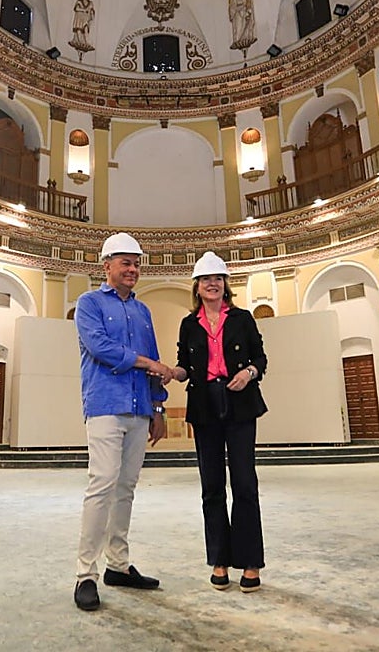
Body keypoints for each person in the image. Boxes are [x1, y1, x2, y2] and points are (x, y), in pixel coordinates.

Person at [73, 232, 175, 611]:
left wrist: (159, 408)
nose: (133, 269)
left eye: (136, 263)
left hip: (138, 408)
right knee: (101, 484)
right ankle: (86, 574)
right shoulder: (89, 303)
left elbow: (154, 355)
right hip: (104, 405)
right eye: (125, 263)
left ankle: (118, 565)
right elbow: (100, 347)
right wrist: (151, 364)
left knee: (126, 487)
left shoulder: (143, 311)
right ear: (107, 266)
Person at [170, 251, 268, 592]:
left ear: (225, 285)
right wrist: (172, 373)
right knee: (211, 486)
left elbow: (260, 357)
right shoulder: (188, 324)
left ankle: (251, 562)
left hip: (240, 402)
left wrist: (249, 372)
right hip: (204, 405)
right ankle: (219, 560)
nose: (212, 284)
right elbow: (185, 365)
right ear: (196, 287)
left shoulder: (242, 318)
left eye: (218, 279)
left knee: (244, 483)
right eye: (206, 279)